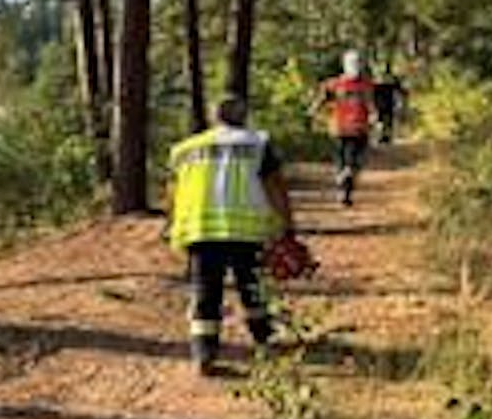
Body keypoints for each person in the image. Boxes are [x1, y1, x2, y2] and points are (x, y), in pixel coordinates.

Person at [167, 96, 298, 372]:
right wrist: (287, 225)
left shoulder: (187, 148)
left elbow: (174, 191)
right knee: (252, 288)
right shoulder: (257, 143)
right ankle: (265, 341)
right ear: (243, 115)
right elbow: (275, 185)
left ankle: (204, 352)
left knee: (205, 291)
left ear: (216, 117)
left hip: (200, 230)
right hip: (244, 230)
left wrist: (172, 226)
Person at [313, 49, 375, 206]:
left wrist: (313, 110)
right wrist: (375, 117)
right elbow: (370, 104)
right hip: (359, 128)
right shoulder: (365, 84)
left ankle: (343, 182)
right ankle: (347, 181)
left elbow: (322, 97)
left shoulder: (335, 83)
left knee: (341, 160)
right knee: (355, 161)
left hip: (339, 128)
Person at [373, 66, 407, 144]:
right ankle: (382, 137)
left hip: (387, 105)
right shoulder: (377, 84)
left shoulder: (391, 83)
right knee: (382, 121)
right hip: (383, 105)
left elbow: (401, 92)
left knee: (386, 121)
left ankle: (386, 137)